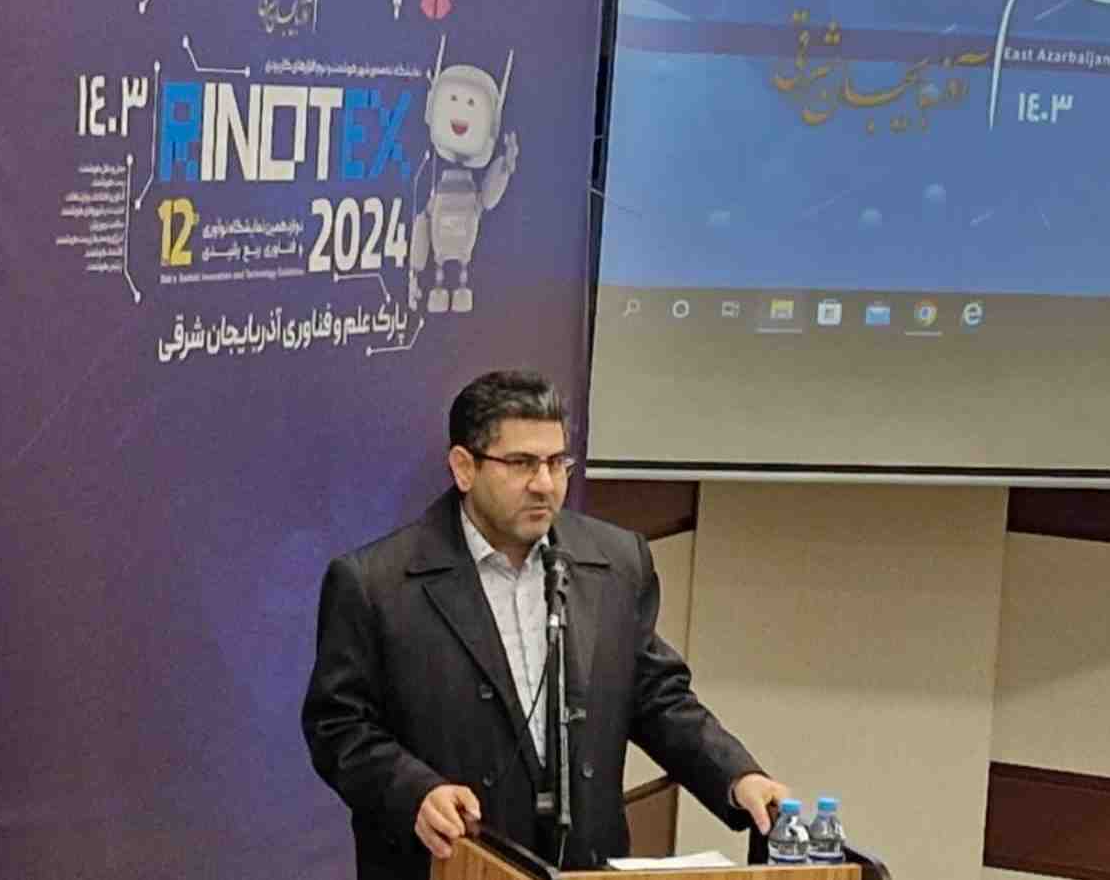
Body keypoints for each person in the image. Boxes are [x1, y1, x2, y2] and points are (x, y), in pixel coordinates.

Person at [302, 369, 788, 879]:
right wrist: (414, 792)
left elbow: (656, 697)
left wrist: (736, 776)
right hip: (449, 863)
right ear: (464, 468)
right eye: (521, 464)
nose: (544, 485)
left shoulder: (615, 561)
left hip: (583, 861)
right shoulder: (377, 583)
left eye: (557, 463)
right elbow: (338, 728)